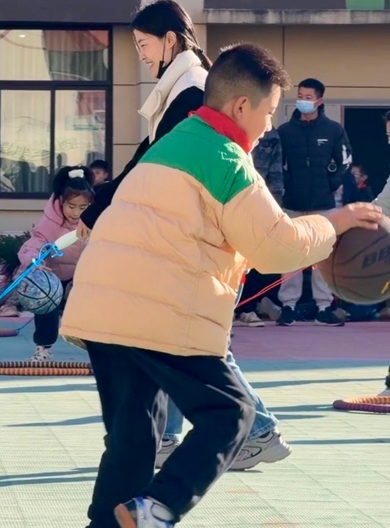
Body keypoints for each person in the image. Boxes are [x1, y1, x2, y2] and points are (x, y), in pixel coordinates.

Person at [61, 43, 384, 528]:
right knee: (231, 413)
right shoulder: (225, 158)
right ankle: (158, 507)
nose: (270, 125)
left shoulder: (171, 143)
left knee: (133, 439)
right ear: (241, 106)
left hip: (102, 309)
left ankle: (111, 522)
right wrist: (334, 223)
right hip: (162, 309)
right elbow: (276, 246)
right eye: (269, 112)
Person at [78, 0, 210, 239]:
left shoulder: (192, 90)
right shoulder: (186, 84)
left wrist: (101, 206)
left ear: (170, 40)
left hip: (187, 228)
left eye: (143, 45)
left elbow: (152, 157)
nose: (141, 56)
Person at [275, 78, 352, 327]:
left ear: (319, 101)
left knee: (322, 256)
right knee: (291, 255)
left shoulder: (333, 130)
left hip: (323, 203)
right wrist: (286, 185)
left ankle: (323, 307)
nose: (303, 101)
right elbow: (277, 163)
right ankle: (288, 306)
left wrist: (331, 183)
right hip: (292, 203)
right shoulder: (285, 131)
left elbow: (345, 160)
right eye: (300, 96)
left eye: (308, 97)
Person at [12, 166, 93, 361]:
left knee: (94, 307)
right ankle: (43, 347)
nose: (76, 213)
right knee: (45, 299)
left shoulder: (93, 221)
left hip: (81, 276)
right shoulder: (50, 223)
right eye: (71, 206)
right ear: (61, 201)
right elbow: (33, 245)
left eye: (82, 208)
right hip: (53, 276)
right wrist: (34, 263)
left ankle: (98, 350)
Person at [233, 127, 285, 327]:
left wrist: (276, 207)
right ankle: (225, 310)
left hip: (259, 202)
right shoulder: (222, 127)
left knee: (253, 261)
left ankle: (247, 308)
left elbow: (275, 172)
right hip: (229, 200)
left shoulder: (269, 134)